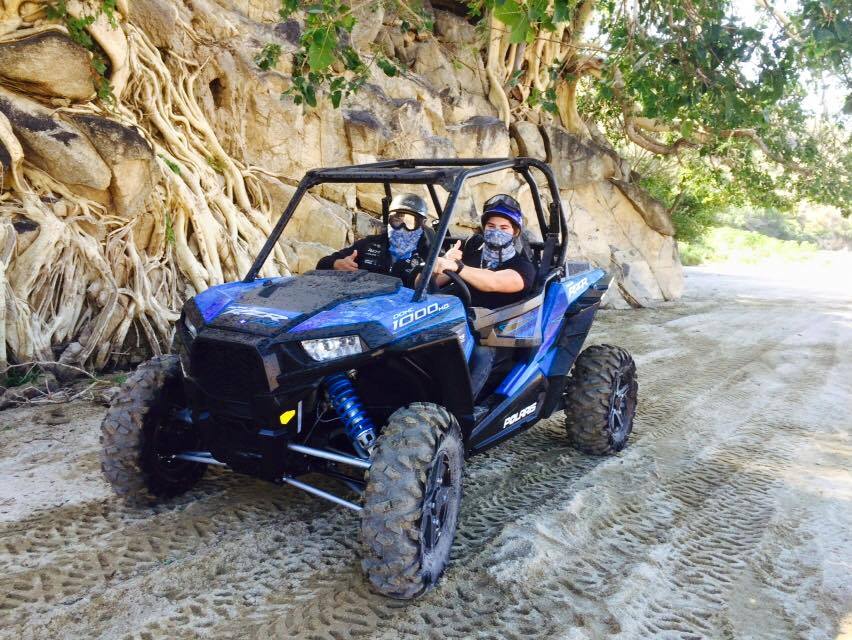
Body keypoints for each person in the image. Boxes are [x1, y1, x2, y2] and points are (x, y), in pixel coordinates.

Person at [431, 194, 535, 309]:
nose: (496, 232)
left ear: (515, 232)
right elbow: (422, 284)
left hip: (484, 323)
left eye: (504, 228)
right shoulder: (472, 245)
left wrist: (458, 267)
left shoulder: (523, 268)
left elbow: (493, 281)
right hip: (445, 309)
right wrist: (443, 262)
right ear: (484, 228)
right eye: (491, 226)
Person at [315, 193, 432, 287]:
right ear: (388, 220)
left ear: (422, 224)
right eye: (397, 219)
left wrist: (424, 281)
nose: (402, 227)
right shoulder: (370, 244)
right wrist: (336, 264)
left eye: (410, 222)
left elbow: (439, 292)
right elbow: (322, 264)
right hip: (364, 308)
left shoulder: (429, 253)